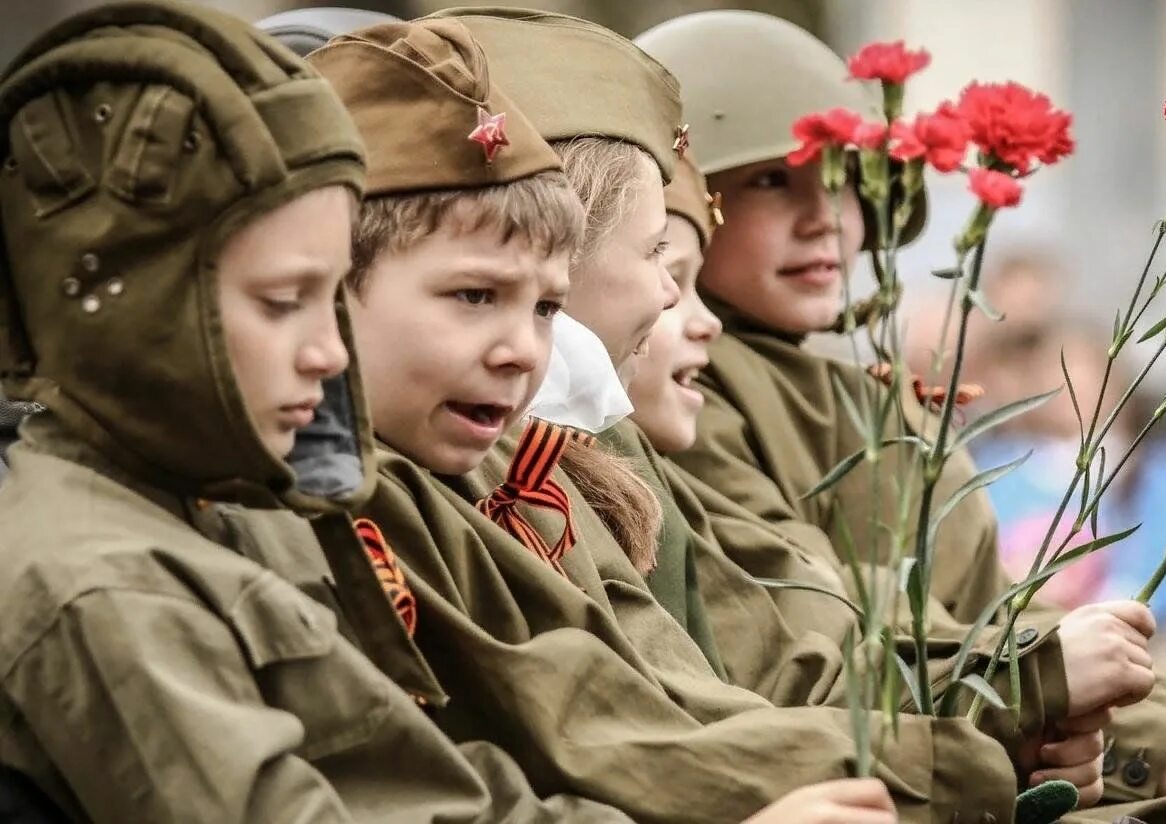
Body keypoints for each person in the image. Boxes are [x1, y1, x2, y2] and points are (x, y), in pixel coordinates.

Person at [640, 9, 1166, 822]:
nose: (826, 217)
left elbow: (993, 598)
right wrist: (1143, 744)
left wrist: (1160, 719)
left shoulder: (848, 389)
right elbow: (813, 628)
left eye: (845, 178)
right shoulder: (679, 390)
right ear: (674, 204)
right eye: (771, 182)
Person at [303, 10, 1021, 822]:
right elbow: (585, 740)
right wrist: (988, 732)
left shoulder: (507, 462)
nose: (520, 349)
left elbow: (688, 691)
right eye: (659, 258)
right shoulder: (360, 491)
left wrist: (1001, 717)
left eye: (545, 308)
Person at [0, 2, 633, 821]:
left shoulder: (239, 505)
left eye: (329, 298)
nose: (330, 352)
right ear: (134, 312)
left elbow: (422, 781)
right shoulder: (96, 580)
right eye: (281, 302)